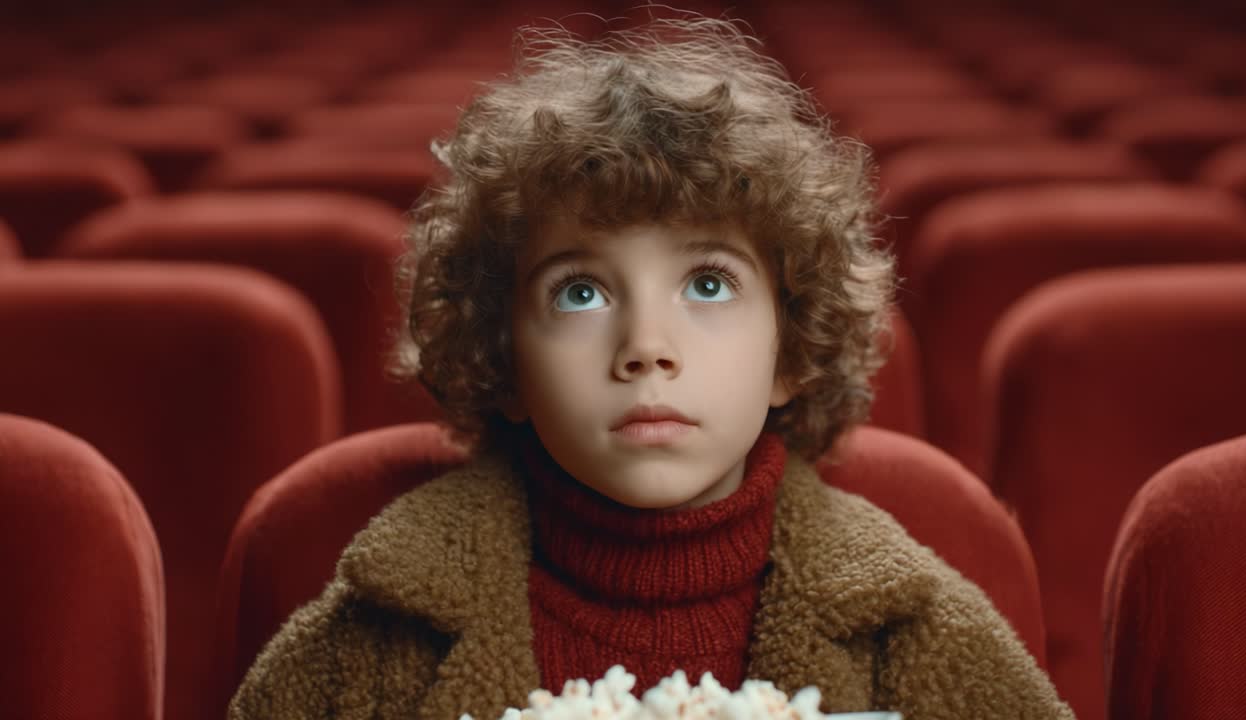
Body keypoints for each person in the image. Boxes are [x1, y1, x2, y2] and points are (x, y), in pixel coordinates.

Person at [228, 14, 1073, 720]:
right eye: (581, 294)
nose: (646, 345)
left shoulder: (917, 630)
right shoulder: (376, 632)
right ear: (505, 360)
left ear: (791, 350)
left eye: (708, 283)